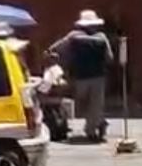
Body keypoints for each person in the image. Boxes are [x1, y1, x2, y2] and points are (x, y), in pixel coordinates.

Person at [47, 9, 114, 142]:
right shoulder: (101, 37)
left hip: (80, 76)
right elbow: (109, 57)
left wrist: (52, 54)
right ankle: (98, 123)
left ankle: (92, 129)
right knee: (95, 104)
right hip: (98, 76)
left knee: (81, 104)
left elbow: (56, 48)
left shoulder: (74, 36)